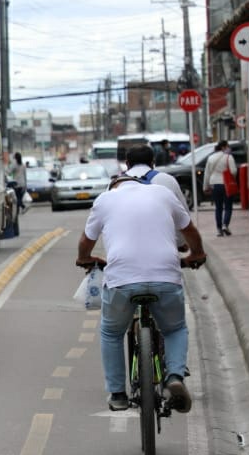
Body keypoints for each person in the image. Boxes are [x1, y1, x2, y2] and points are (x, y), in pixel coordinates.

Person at [76, 172, 207, 414]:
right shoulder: (163, 194)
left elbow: (86, 242)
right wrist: (196, 255)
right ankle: (175, 376)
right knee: (174, 328)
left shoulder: (105, 200)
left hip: (121, 280)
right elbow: (189, 232)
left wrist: (85, 259)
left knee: (111, 332)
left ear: (114, 185)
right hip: (166, 277)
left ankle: (117, 393)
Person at [119, 143, 189, 217]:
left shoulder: (116, 184)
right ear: (153, 163)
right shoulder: (168, 180)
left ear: (127, 164)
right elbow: (185, 215)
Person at [202, 141, 238, 237]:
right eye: (227, 147)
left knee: (218, 208)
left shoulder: (211, 158)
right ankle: (225, 225)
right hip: (226, 184)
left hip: (214, 184)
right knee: (228, 206)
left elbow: (207, 173)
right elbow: (234, 170)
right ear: (223, 147)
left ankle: (219, 229)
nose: (228, 148)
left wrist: (206, 186)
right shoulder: (228, 157)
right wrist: (231, 177)